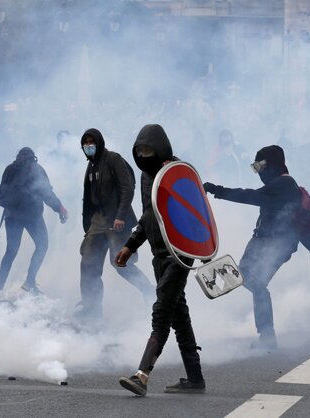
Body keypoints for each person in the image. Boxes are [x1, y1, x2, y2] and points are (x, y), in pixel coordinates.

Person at [204, 145, 310, 349]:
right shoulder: (285, 184)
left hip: (274, 244)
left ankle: (267, 336)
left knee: (254, 282)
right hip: (268, 242)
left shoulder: (283, 184)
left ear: (271, 164)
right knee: (250, 281)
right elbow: (298, 220)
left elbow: (249, 196)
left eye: (260, 166)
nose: (259, 172)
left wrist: (216, 190)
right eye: (255, 167)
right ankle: (263, 333)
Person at [115, 124, 205, 396]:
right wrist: (130, 245)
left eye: (149, 150)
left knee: (162, 312)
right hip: (158, 256)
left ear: (162, 148)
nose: (144, 156)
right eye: (140, 151)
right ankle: (195, 377)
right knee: (179, 316)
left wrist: (194, 250)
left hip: (179, 254)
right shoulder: (146, 177)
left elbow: (196, 215)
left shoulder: (177, 173)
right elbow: (148, 217)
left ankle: (141, 375)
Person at [76, 128, 154, 320]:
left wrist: (120, 215)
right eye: (85, 143)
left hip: (116, 219)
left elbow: (127, 187)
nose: (88, 146)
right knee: (88, 263)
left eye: (91, 142)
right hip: (98, 219)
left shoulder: (113, 159)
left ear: (99, 142)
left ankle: (150, 292)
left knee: (120, 263)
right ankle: (91, 308)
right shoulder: (91, 165)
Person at [0, 147, 68, 294]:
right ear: (33, 158)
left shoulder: (9, 169)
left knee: (11, 251)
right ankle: (29, 282)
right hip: (32, 216)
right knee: (42, 245)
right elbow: (47, 193)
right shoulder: (37, 169)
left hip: (12, 215)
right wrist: (60, 208)